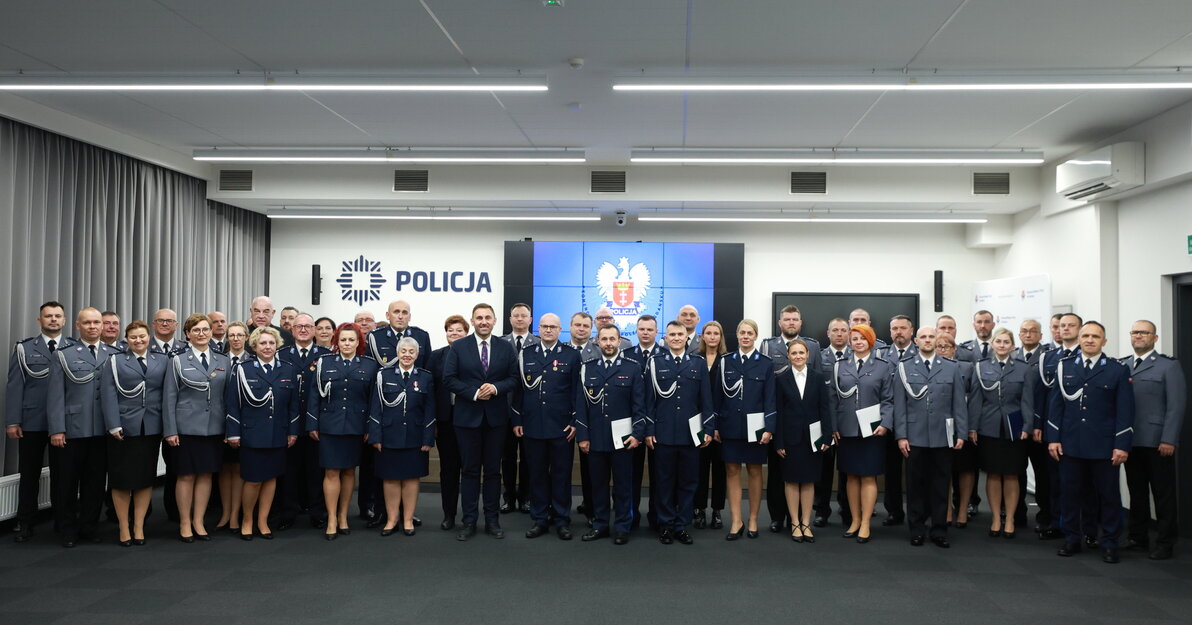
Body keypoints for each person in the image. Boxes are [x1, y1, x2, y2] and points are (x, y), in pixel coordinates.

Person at [1048, 321, 1135, 564]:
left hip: (1104, 446)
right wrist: (1053, 439)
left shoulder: (1117, 370)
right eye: (1085, 335)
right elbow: (1056, 407)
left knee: (1108, 496)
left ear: (1104, 341)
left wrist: (1121, 444)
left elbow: (1125, 411)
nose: (1089, 340)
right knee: (1070, 494)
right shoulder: (1065, 367)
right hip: (1071, 444)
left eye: (1095, 336)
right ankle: (1072, 538)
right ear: (1079, 338)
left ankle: (1109, 542)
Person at [47, 307, 123, 547]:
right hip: (72, 429)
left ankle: (90, 527)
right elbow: (55, 396)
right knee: (67, 483)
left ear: (102, 326)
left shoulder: (114, 353)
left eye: (97, 322)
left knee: (95, 482)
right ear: (78, 326)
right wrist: (57, 429)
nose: (93, 327)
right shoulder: (64, 354)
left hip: (102, 430)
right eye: (87, 323)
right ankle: (67, 530)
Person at [444, 303, 519, 541]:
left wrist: (496, 388)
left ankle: (492, 520)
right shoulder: (459, 346)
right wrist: (474, 393)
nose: (484, 321)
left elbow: (514, 378)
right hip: (467, 419)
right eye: (479, 318)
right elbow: (449, 379)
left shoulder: (505, 347)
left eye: (488, 317)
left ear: (495, 321)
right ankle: (468, 521)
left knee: (494, 472)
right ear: (473, 320)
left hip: (496, 420)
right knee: (469, 471)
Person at [894, 326, 968, 548]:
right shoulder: (904, 368)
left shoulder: (951, 368)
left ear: (937, 340)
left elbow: (958, 405)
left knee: (940, 484)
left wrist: (961, 433)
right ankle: (916, 529)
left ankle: (939, 529)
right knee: (915, 485)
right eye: (923, 337)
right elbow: (900, 405)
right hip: (914, 436)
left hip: (942, 436)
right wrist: (901, 435)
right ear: (916, 341)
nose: (927, 340)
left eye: (931, 336)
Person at [645, 320, 716, 545]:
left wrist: (708, 429)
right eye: (671, 334)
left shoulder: (698, 362)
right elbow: (649, 402)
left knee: (688, 482)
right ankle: (665, 524)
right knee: (664, 482)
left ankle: (681, 525)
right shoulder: (655, 363)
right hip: (663, 434)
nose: (676, 338)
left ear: (687, 337)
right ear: (665, 338)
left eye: (680, 334)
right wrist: (649, 430)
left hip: (690, 435)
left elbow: (706, 400)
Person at [226, 326, 300, 540]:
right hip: (252, 435)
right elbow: (233, 405)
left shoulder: (288, 369)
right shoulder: (243, 369)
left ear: (277, 346)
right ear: (255, 346)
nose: (267, 347)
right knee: (254, 480)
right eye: (263, 343)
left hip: (278, 434)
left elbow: (293, 406)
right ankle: (248, 519)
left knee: (271, 479)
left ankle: (263, 521)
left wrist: (293, 431)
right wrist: (233, 434)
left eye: (271, 343)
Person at [163, 314, 232, 542]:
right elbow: (169, 397)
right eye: (196, 330)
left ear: (212, 332)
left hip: (213, 427)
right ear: (188, 334)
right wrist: (170, 430)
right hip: (185, 428)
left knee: (205, 475)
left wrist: (229, 429)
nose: (201, 334)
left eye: (205, 329)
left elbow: (227, 397)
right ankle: (184, 522)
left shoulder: (223, 360)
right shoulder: (178, 360)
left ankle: (198, 521)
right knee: (185, 476)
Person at [306, 322, 379, 539]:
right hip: (329, 425)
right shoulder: (323, 362)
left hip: (356, 426)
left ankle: (343, 516)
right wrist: (312, 424)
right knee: (331, 472)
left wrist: (370, 427)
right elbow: (313, 396)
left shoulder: (369, 365)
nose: (347, 343)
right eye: (343, 340)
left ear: (359, 343)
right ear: (337, 341)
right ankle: (330, 518)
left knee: (349, 471)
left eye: (351, 340)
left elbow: (374, 400)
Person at [576, 325, 647, 545]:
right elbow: (582, 406)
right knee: (598, 485)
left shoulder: (632, 368)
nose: (608, 343)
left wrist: (637, 434)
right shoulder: (588, 368)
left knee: (624, 485)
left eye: (612, 339)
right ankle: (600, 525)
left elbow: (639, 406)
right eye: (604, 339)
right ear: (597, 341)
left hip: (624, 439)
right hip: (596, 437)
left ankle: (622, 526)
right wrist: (583, 436)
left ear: (619, 341)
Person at [512, 313, 581, 540]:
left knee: (561, 475)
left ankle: (562, 520)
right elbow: (519, 391)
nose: (548, 330)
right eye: (544, 326)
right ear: (538, 329)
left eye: (552, 327)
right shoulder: (526, 354)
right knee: (537, 475)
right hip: (532, 426)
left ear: (560, 330)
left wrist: (574, 422)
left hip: (561, 428)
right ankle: (539, 519)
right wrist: (518, 420)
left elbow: (577, 393)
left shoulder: (571, 356)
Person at [100, 320, 168, 546]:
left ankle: (138, 525)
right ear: (126, 340)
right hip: (123, 428)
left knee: (144, 479)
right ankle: (123, 526)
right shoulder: (115, 360)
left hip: (150, 428)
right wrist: (113, 424)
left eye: (142, 336)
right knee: (121, 480)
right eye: (133, 337)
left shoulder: (163, 360)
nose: (138, 340)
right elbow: (108, 394)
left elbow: (167, 394)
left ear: (149, 337)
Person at [6, 301, 69, 543]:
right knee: (29, 473)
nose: (53, 320)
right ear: (39, 320)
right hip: (33, 421)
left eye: (57, 316)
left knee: (63, 473)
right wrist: (13, 420)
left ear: (64, 320)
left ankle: (61, 520)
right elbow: (14, 386)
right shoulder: (24, 349)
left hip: (63, 423)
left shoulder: (73, 348)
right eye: (48, 316)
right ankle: (25, 522)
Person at [1122, 320, 1185, 560]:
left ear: (1154, 338)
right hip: (1130, 441)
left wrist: (1169, 439)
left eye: (1144, 332)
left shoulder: (1168, 366)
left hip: (1158, 442)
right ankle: (1137, 537)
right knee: (1136, 492)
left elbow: (1176, 406)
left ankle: (1165, 542)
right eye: (1135, 332)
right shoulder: (1123, 364)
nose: (1138, 336)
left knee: (1163, 494)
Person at [829, 324, 893, 544]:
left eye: (862, 339)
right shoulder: (840, 365)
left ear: (870, 341)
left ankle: (866, 522)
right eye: (854, 338)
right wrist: (834, 425)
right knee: (851, 476)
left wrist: (885, 423)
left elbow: (888, 399)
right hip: (846, 429)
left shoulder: (883, 367)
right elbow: (832, 399)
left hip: (872, 430)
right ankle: (855, 520)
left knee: (868, 476)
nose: (857, 342)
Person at [761, 305, 821, 533]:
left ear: (800, 322)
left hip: (806, 425)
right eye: (787, 319)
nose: (791, 323)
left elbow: (817, 386)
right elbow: (767, 383)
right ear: (780, 323)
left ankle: (802, 519)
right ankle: (778, 517)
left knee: (805, 476)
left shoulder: (813, 346)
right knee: (778, 473)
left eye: (795, 319)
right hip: (781, 419)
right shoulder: (768, 345)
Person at [714, 319, 776, 540]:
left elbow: (770, 399)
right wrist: (715, 425)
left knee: (755, 471)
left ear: (756, 336)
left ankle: (752, 520)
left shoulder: (766, 363)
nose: (746, 336)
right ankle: (736, 520)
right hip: (730, 424)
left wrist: (769, 427)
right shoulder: (725, 361)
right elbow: (717, 396)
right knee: (731, 471)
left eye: (750, 333)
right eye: (742, 333)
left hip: (756, 427)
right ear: (737, 335)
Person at [969, 327, 1032, 539]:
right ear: (993, 344)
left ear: (1012, 345)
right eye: (999, 341)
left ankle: (1011, 518)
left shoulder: (1024, 369)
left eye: (1006, 342)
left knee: (1012, 473)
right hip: (989, 427)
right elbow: (976, 401)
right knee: (993, 473)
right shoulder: (981, 367)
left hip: (1014, 428)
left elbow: (1027, 401)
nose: (1002, 345)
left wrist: (1027, 426)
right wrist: (973, 427)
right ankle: (996, 517)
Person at [369, 337, 436, 536]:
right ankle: (391, 520)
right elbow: (375, 408)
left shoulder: (425, 377)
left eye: (411, 352)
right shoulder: (383, 375)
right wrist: (376, 436)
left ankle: (408, 520)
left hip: (415, 437)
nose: (407, 355)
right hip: (388, 435)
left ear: (417, 355)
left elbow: (430, 410)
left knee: (411, 479)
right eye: (403, 351)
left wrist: (427, 438)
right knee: (389, 479)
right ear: (397, 353)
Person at [1033, 313, 1088, 541]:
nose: (1064, 329)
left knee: (1080, 481)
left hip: (1078, 429)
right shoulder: (1048, 357)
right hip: (1052, 427)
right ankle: (1057, 522)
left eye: (1070, 325)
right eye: (1061, 325)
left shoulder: (1086, 357)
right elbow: (1041, 394)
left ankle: (1082, 525)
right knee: (1053, 479)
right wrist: (1038, 424)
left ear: (1080, 329)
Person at [275, 313, 331, 530]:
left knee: (316, 470)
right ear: (292, 330)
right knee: (289, 470)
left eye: (308, 326)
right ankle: (288, 511)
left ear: (315, 330)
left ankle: (317, 512)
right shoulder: (281, 355)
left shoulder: (325, 356)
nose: (304, 330)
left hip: (315, 422)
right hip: (288, 422)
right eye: (299, 326)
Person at [775, 339, 831, 542]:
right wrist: (778, 441)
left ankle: (806, 522)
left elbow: (824, 408)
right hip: (790, 438)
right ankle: (794, 522)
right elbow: (779, 412)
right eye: (794, 353)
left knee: (808, 481)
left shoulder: (818, 377)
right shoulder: (781, 379)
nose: (798, 356)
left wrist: (826, 436)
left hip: (812, 438)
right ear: (788, 356)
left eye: (801, 353)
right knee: (791, 481)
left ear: (808, 355)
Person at [623, 314, 665, 529]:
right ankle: (630, 516)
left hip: (659, 425)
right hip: (633, 426)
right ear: (636, 331)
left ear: (657, 332)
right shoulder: (627, 355)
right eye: (642, 329)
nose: (646, 332)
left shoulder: (666, 355)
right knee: (632, 474)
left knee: (659, 475)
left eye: (650, 329)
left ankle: (657, 516)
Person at [428, 314, 469, 530]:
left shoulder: (473, 356)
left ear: (466, 332)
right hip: (445, 422)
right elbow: (430, 392)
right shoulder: (436, 357)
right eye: (450, 330)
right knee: (448, 470)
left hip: (470, 421)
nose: (454, 334)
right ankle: (449, 514)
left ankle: (469, 515)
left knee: (469, 469)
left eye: (458, 330)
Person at [500, 302, 541, 515]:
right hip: (504, 411)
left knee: (528, 458)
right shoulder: (499, 343)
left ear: (530, 319)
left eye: (523, 315)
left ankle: (526, 497)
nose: (519, 319)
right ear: (510, 319)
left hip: (530, 412)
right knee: (506, 458)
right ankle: (508, 497)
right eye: (515, 315)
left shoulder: (539, 343)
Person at [934, 333, 977, 528]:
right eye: (939, 346)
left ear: (954, 349)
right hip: (940, 427)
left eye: (946, 346)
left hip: (962, 424)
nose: (942, 349)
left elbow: (974, 398)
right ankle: (948, 509)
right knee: (945, 470)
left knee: (965, 469)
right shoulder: (930, 368)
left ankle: (962, 509)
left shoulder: (967, 368)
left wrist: (969, 427)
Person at [879, 315, 918, 528]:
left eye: (903, 328)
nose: (899, 332)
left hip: (913, 422)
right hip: (889, 422)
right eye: (895, 328)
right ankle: (893, 511)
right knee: (891, 470)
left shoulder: (919, 354)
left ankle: (916, 512)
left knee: (914, 472)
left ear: (911, 331)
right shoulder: (882, 355)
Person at [813, 318, 852, 529]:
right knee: (824, 470)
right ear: (828, 333)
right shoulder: (819, 357)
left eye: (843, 330)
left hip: (847, 422)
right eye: (835, 330)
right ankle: (821, 510)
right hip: (825, 421)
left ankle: (847, 509)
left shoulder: (854, 357)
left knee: (846, 469)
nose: (839, 334)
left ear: (848, 333)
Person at [1013, 319, 1051, 531]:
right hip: (1016, 427)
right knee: (1016, 472)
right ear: (1019, 335)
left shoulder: (1046, 358)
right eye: (1024, 331)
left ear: (1040, 335)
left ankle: (1045, 516)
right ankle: (1017, 514)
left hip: (1038, 428)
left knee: (1042, 474)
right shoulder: (1011, 356)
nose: (1028, 334)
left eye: (1033, 331)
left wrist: (1038, 424)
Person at [216, 321, 251, 532]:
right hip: (219, 422)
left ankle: (236, 515)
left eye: (240, 335)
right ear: (227, 338)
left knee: (238, 469)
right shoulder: (219, 360)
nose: (236, 339)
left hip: (242, 424)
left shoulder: (252, 361)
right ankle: (225, 513)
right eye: (232, 335)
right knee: (223, 469)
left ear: (247, 337)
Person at [693, 320, 727, 531]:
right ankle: (699, 510)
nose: (713, 336)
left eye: (716, 333)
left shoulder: (727, 361)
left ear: (721, 337)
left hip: (721, 425)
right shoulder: (694, 359)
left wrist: (717, 425)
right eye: (709, 333)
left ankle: (716, 511)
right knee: (699, 468)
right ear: (702, 336)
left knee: (720, 470)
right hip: (698, 423)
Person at [567, 311, 597, 520]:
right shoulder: (561, 351)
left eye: (586, 326)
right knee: (561, 466)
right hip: (563, 418)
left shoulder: (598, 352)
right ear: (570, 327)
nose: (581, 329)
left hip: (590, 417)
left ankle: (591, 507)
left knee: (590, 468)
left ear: (591, 329)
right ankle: (558, 507)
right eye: (577, 325)